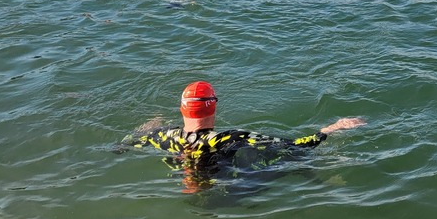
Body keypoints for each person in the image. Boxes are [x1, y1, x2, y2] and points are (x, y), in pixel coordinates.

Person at [120, 81, 365, 193]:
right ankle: (324, 183)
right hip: (228, 195)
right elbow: (295, 144)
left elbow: (128, 141)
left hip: (188, 190)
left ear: (182, 108)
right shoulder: (230, 137)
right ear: (213, 106)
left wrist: (148, 128)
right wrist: (331, 128)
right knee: (290, 157)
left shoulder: (162, 135)